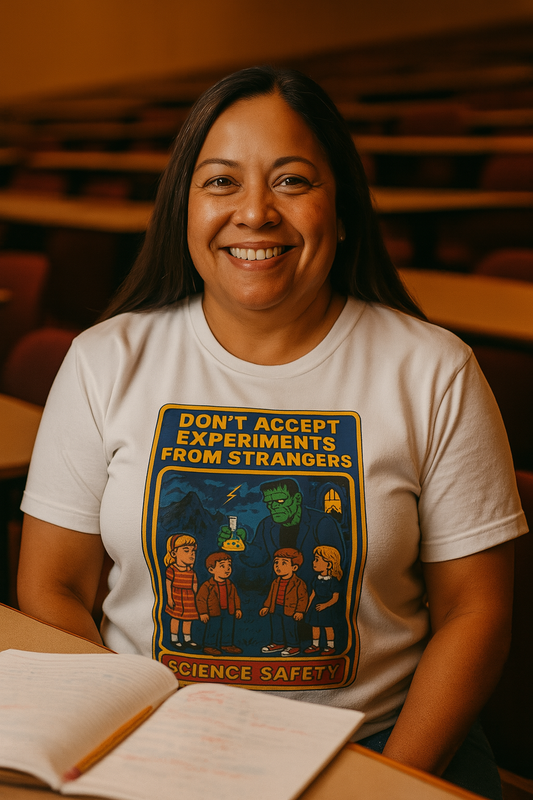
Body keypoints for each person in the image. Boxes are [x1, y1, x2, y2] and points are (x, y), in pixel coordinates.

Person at [17, 66, 526, 798]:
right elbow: (53, 584)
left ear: (342, 208)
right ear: (183, 209)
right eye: (221, 182)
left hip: (378, 747)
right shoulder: (104, 361)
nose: (255, 212)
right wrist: (121, 737)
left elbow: (475, 613)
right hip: (152, 742)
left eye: (291, 181)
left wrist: (389, 782)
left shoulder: (434, 371)